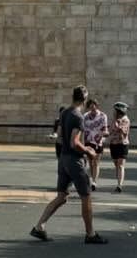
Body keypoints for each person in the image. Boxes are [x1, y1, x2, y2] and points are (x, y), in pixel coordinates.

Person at [30, 85, 107, 244]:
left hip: (63, 158)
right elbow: (74, 142)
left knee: (62, 196)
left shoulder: (64, 113)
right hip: (74, 160)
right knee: (86, 196)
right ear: (85, 99)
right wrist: (88, 151)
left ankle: (39, 227)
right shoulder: (78, 117)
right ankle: (90, 234)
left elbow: (60, 137)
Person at [81, 99, 109, 189]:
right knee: (90, 162)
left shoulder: (103, 116)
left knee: (96, 162)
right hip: (88, 141)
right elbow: (83, 129)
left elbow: (105, 129)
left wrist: (103, 134)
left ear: (97, 106)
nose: (92, 108)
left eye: (94, 106)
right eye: (91, 106)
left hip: (98, 141)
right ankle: (92, 179)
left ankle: (94, 182)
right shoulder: (85, 116)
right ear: (88, 107)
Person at [107, 102, 131, 192]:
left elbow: (124, 134)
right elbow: (109, 131)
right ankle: (118, 182)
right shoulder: (113, 119)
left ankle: (119, 185)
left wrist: (118, 126)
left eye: (115, 110)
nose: (114, 112)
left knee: (121, 165)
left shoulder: (125, 120)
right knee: (116, 164)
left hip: (122, 144)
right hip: (113, 144)